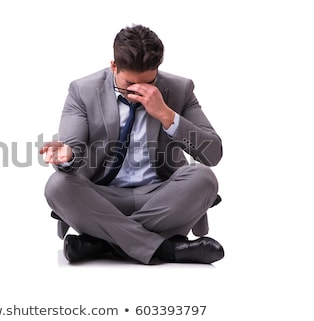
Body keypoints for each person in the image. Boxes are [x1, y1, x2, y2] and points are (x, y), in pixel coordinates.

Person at [40, 24, 224, 265]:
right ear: (113, 66)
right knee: (58, 186)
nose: (136, 91)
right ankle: (167, 250)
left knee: (204, 178)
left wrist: (167, 115)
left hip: (160, 198)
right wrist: (67, 154)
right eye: (128, 84)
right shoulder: (82, 90)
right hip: (103, 198)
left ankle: (103, 244)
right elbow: (72, 143)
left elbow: (213, 154)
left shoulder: (181, 89)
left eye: (148, 83)